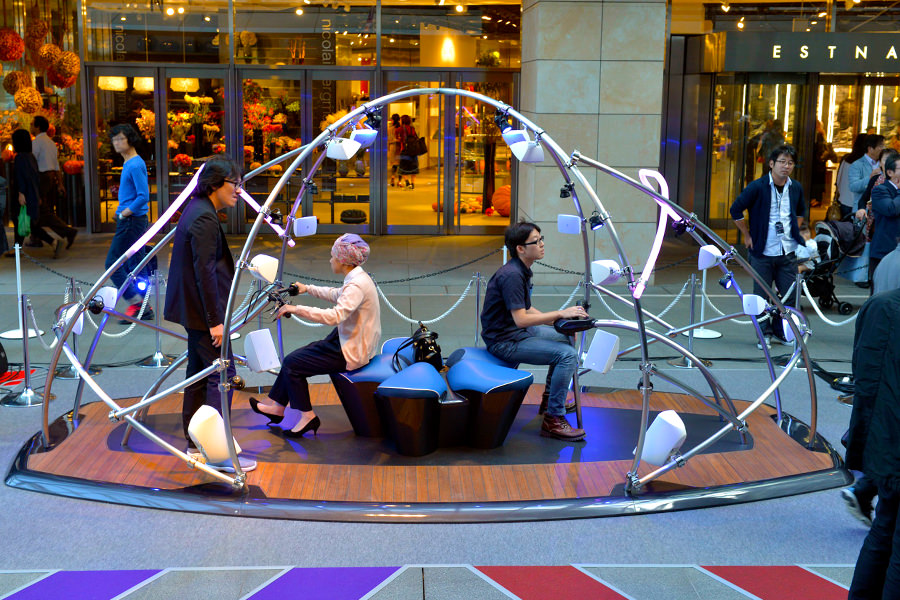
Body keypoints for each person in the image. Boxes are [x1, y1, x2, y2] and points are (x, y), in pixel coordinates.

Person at [163, 155, 255, 473]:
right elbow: (205, 273)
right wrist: (216, 321)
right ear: (215, 184)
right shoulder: (203, 217)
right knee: (222, 376)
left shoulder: (199, 209)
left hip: (195, 311)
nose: (239, 190)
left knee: (200, 374)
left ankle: (196, 443)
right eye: (235, 183)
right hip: (203, 314)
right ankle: (218, 453)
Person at [248, 234, 381, 438]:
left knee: (293, 364)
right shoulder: (358, 278)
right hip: (348, 340)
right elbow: (337, 294)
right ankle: (277, 407)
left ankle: (307, 416)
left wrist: (296, 308)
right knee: (294, 359)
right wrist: (307, 289)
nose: (330, 260)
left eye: (333, 256)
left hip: (351, 350)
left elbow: (334, 316)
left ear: (344, 261)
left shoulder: (356, 285)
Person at [480, 221, 587, 441]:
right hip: (505, 341)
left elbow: (526, 309)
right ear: (520, 248)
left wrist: (559, 321)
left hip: (517, 333)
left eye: (541, 239)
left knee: (566, 337)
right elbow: (521, 320)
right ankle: (553, 420)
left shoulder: (522, 269)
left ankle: (550, 401)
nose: (542, 244)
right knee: (567, 355)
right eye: (536, 241)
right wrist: (560, 313)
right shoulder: (511, 275)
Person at [845, 287, 900, 598]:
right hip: (887, 438)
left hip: (882, 441)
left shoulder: (878, 306)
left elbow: (861, 376)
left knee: (883, 529)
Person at [730, 144, 807, 349]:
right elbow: (736, 209)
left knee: (789, 295)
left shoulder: (795, 187)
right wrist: (747, 235)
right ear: (771, 164)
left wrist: (794, 231)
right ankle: (764, 334)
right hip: (762, 251)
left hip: (787, 251)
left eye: (790, 163)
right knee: (761, 296)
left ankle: (783, 332)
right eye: (782, 162)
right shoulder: (758, 186)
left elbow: (801, 211)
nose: (786, 166)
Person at [103, 124, 153, 321]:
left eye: (120, 139)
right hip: (132, 220)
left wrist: (124, 213)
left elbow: (143, 196)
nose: (116, 143)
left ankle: (137, 303)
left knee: (113, 264)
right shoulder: (131, 163)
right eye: (114, 139)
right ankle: (143, 306)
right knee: (135, 263)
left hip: (132, 221)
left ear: (130, 139)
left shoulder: (134, 164)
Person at [31, 116, 77, 250]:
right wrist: (60, 183)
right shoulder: (51, 143)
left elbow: (32, 163)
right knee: (41, 210)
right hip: (50, 177)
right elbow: (56, 165)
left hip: (41, 177)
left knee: (41, 210)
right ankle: (37, 237)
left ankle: (66, 232)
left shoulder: (36, 143)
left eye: (32, 124)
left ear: (37, 127)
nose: (31, 126)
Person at [10, 129, 57, 254]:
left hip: (24, 195)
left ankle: (52, 242)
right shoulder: (31, 157)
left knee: (23, 222)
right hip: (32, 194)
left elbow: (21, 176)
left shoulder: (20, 157)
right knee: (26, 223)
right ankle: (17, 249)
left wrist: (21, 193)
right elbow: (35, 177)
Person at [868, 153, 900, 286]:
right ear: (890, 172)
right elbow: (890, 209)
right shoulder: (880, 190)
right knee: (880, 291)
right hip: (885, 250)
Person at [849, 134, 886, 217]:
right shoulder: (857, 164)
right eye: (880, 146)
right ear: (870, 149)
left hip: (880, 211)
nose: (883, 148)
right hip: (863, 211)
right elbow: (853, 187)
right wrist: (870, 177)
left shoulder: (884, 162)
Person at [835, 134, 868, 220]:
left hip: (844, 200)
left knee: (845, 226)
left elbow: (838, 180)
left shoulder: (846, 159)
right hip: (859, 203)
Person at [396, 114, 419, 190]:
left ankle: (407, 183)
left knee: (402, 169)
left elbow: (397, 137)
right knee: (413, 169)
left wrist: (400, 139)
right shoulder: (412, 128)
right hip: (413, 151)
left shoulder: (400, 129)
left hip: (404, 150)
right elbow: (416, 137)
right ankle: (413, 184)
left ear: (402, 121)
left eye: (400, 120)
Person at [388, 113, 401, 187]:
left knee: (394, 164)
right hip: (400, 147)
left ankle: (392, 177)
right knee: (400, 164)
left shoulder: (390, 129)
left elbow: (389, 140)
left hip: (392, 147)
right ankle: (399, 181)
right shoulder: (400, 128)